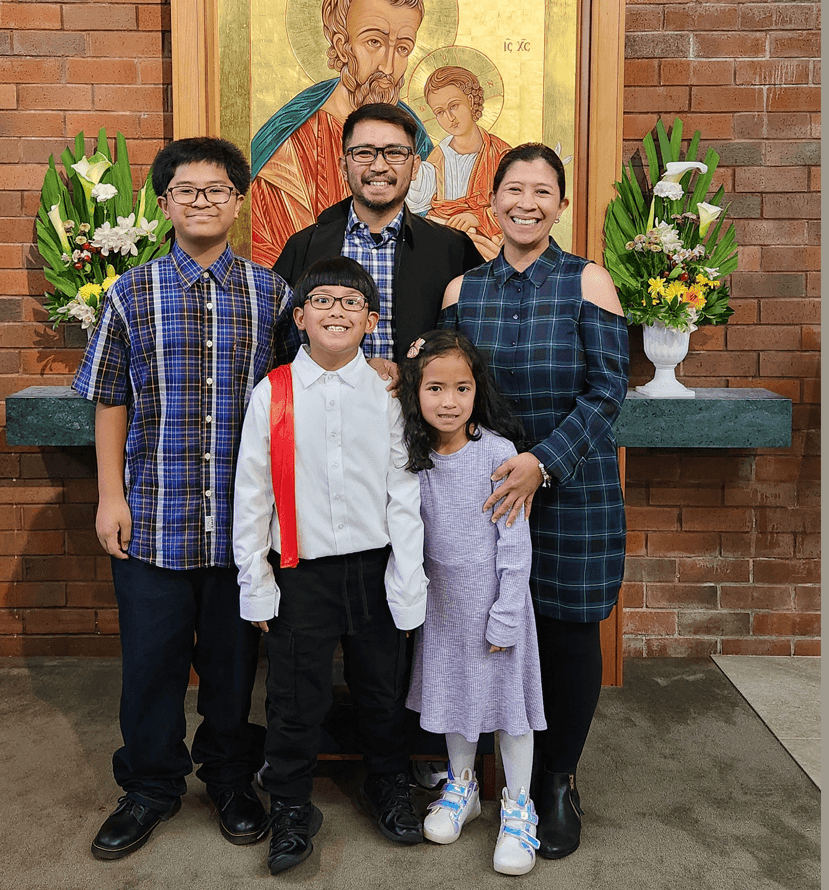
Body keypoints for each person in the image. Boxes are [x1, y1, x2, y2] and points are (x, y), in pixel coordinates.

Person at [73, 137, 294, 860]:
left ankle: (230, 778)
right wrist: (111, 496)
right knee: (151, 665)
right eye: (187, 190)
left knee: (233, 669)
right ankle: (150, 786)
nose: (202, 201)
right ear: (164, 204)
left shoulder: (271, 294)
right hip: (154, 519)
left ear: (238, 201)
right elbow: (109, 399)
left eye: (217, 189)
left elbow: (297, 397)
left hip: (239, 529)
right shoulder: (129, 294)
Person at [440, 143, 630, 860]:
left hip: (572, 487)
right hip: (487, 496)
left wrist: (541, 465)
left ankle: (556, 779)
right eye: (513, 189)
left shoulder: (589, 282)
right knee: (490, 632)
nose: (526, 202)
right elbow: (453, 391)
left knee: (566, 631)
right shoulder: (462, 292)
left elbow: (608, 391)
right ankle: (492, 779)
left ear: (561, 203)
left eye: (542, 190)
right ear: (492, 202)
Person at [233, 256, 428, 874]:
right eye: (323, 300)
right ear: (299, 317)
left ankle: (388, 783)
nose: (336, 311)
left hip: (373, 569)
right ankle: (292, 803)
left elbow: (405, 490)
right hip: (301, 572)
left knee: (381, 688)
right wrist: (256, 584)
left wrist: (407, 576)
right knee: (296, 696)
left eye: (351, 303)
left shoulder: (389, 395)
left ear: (371, 321)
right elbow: (252, 494)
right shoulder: (274, 392)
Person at [397, 328, 547, 876]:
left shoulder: (498, 452)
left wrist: (507, 611)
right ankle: (461, 789)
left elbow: (514, 544)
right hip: (443, 611)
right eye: (435, 388)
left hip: (494, 605)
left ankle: (517, 805)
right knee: (454, 700)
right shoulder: (411, 454)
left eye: (462, 388)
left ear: (477, 391)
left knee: (510, 712)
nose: (449, 401)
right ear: (416, 391)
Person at [273, 102, 483, 373]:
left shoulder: (453, 249)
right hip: (323, 407)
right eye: (364, 153)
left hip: (417, 411)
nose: (379, 166)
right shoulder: (303, 247)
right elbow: (280, 347)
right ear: (343, 166)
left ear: (416, 166)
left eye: (395, 152)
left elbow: (471, 347)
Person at [250, 0, 433, 266]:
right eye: (374, 42)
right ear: (341, 45)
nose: (388, 66)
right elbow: (275, 261)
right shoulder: (291, 149)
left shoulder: (420, 142)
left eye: (402, 48)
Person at [405, 65, 512, 259]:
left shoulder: (501, 154)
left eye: (454, 106)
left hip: (487, 245)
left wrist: (477, 217)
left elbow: (514, 207)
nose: (449, 118)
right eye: (439, 112)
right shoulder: (438, 157)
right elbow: (415, 203)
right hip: (442, 245)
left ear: (470, 101)